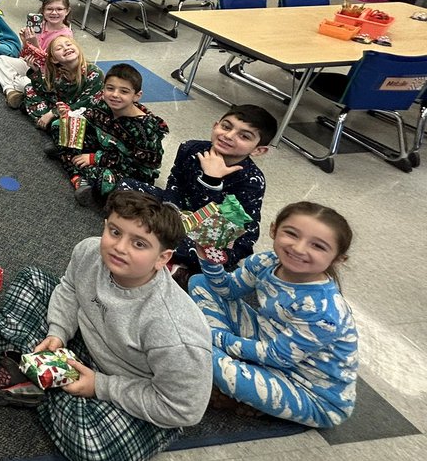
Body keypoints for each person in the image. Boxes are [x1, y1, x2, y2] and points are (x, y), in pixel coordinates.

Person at [0, 190, 211, 461]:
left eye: (139, 243)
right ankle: (46, 384)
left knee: (99, 455)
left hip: (130, 386)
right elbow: (69, 288)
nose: (119, 247)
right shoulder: (89, 251)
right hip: (85, 341)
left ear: (163, 258)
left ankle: (33, 382)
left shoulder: (174, 329)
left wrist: (100, 387)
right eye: (114, 231)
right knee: (31, 279)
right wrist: (58, 332)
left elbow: (184, 409)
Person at [189, 201, 358, 428]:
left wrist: (215, 338)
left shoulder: (324, 310)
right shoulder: (266, 261)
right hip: (267, 342)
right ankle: (228, 360)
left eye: (318, 246)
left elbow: (278, 356)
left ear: (338, 259)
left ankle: (225, 363)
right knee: (200, 283)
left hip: (313, 396)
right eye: (291, 234)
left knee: (203, 354)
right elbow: (227, 290)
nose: (298, 248)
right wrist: (210, 261)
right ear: (273, 229)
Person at [120, 105, 277, 285]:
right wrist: (171, 212)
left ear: (258, 150)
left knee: (207, 255)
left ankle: (177, 265)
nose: (229, 136)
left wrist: (212, 180)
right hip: (180, 213)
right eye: (226, 126)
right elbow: (175, 182)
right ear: (215, 125)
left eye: (244, 136)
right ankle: (162, 247)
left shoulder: (252, 180)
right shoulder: (190, 148)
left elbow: (228, 224)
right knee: (126, 187)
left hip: (215, 231)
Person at [60, 64, 169, 208]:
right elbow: (87, 117)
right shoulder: (103, 105)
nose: (115, 95)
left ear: (137, 96)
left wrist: (96, 158)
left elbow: (143, 167)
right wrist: (70, 116)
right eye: (110, 88)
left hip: (128, 172)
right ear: (103, 89)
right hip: (104, 150)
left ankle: (77, 174)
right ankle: (79, 177)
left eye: (124, 91)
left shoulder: (146, 129)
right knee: (62, 127)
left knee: (108, 181)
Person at [0, 0, 75, 103]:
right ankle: (10, 91)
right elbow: (25, 53)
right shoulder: (39, 25)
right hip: (30, 64)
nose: (54, 13)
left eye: (59, 9)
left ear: (67, 11)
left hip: (46, 73)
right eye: (49, 9)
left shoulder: (65, 35)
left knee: (24, 83)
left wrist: (35, 44)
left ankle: (9, 79)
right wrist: (25, 42)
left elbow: (51, 62)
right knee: (0, 59)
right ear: (43, 10)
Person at [21, 35, 104, 123]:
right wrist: (35, 71)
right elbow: (45, 92)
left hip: (81, 112)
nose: (66, 48)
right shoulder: (59, 72)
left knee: (66, 122)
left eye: (68, 44)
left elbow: (86, 103)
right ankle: (46, 120)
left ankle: (44, 120)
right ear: (54, 60)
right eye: (59, 48)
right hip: (61, 107)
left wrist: (53, 113)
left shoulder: (94, 73)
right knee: (29, 88)